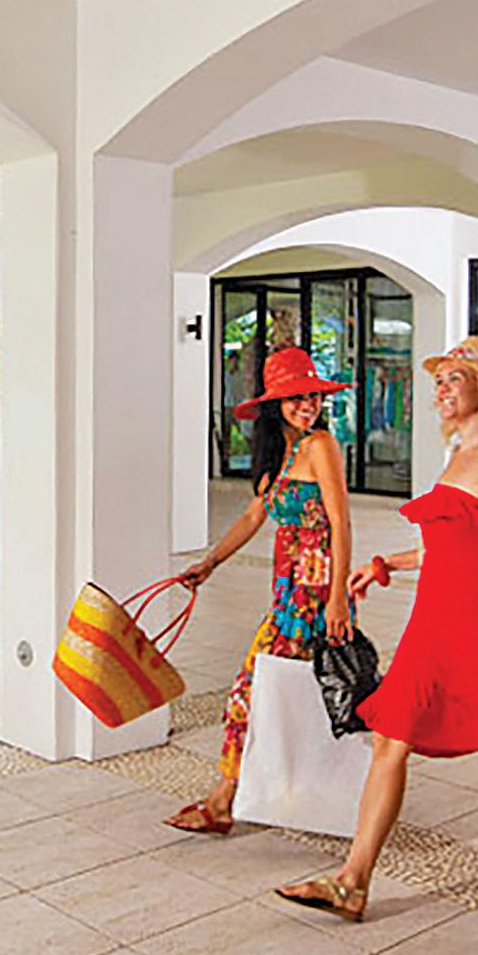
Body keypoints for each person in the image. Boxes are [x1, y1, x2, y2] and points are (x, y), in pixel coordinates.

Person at [278, 336, 478, 921]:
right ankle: (352, 882)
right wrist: (384, 566)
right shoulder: (458, 456)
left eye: (454, 378)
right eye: (439, 381)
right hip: (432, 626)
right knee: (390, 737)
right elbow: (449, 544)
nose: (441, 390)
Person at [166, 347, 355, 834]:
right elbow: (253, 516)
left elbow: (340, 523)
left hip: (316, 593)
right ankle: (291, 794)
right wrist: (210, 563)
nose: (308, 405)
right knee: (291, 696)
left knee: (252, 692)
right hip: (288, 595)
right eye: (296, 398)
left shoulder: (320, 446)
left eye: (313, 397)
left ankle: (224, 799)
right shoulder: (280, 456)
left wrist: (338, 597)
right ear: (275, 405)